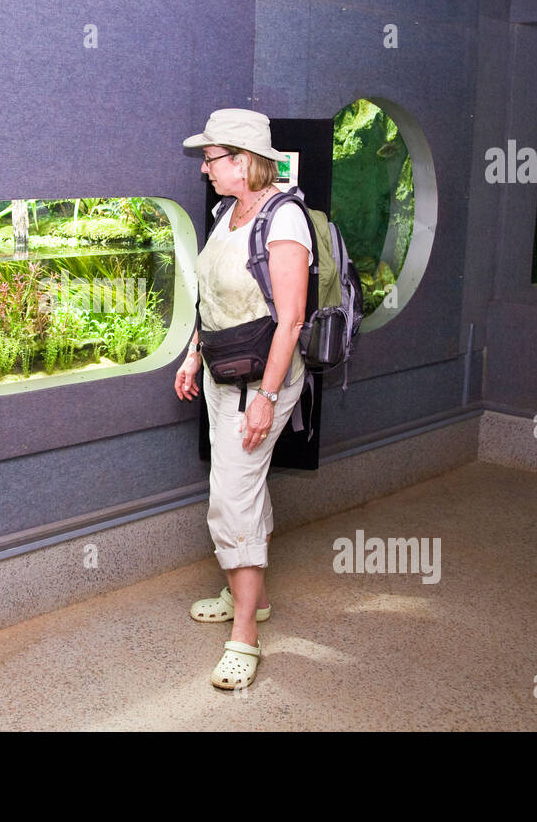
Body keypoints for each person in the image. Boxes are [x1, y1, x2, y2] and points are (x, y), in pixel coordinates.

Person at [175, 108, 311, 690]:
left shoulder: (284, 222)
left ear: (244, 160)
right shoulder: (226, 213)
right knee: (240, 488)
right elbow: (214, 300)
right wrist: (192, 354)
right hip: (221, 373)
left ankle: (246, 639)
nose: (204, 168)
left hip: (262, 382)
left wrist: (267, 397)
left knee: (231, 498)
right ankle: (243, 594)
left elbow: (291, 320)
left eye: (212, 158)